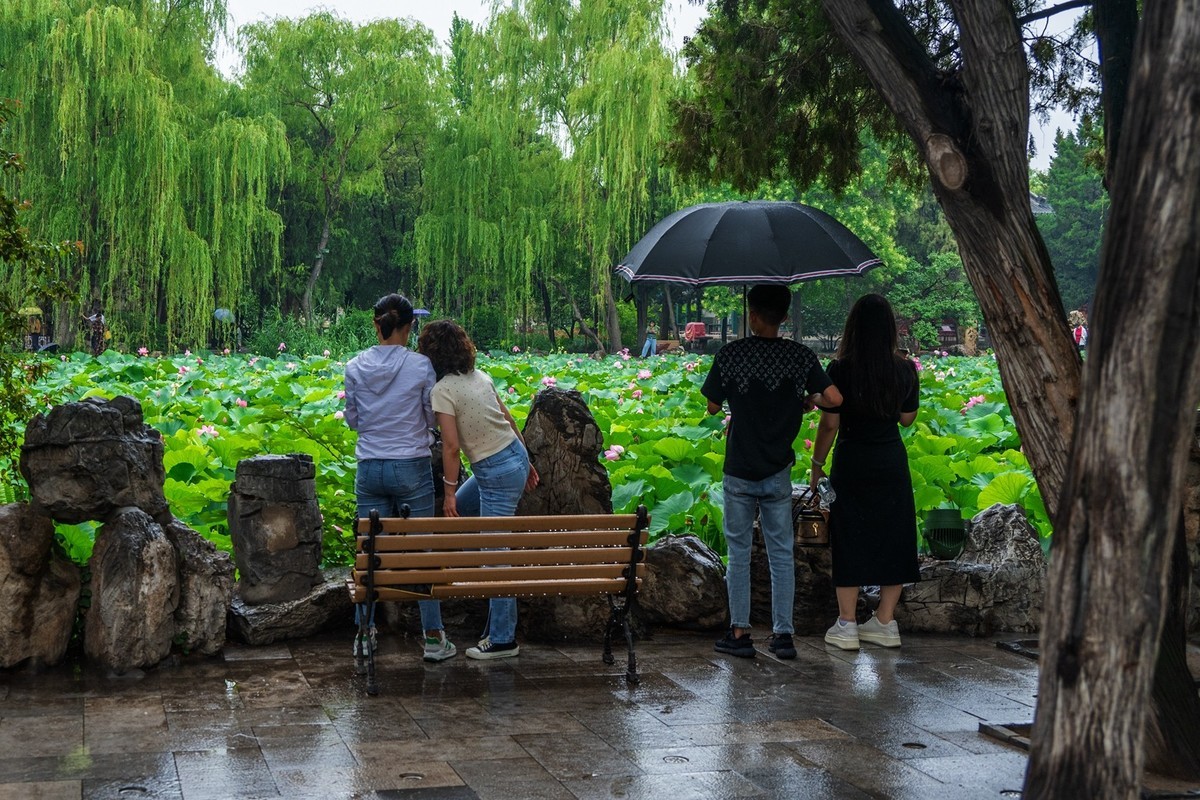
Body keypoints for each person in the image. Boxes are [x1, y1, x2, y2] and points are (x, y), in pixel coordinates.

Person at [701, 284, 841, 660]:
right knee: (781, 553)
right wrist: (806, 398)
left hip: (739, 469)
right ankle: (783, 636)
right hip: (778, 470)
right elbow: (835, 400)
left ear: (752, 315)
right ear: (783, 316)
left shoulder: (731, 354)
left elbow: (713, 405)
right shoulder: (799, 356)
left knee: (739, 552)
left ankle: (740, 632)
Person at [343, 293, 456, 663]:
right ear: (408, 327)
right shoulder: (421, 367)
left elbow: (354, 420)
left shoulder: (355, 365)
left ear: (376, 324)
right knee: (424, 548)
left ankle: (364, 633)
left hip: (370, 466)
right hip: (411, 465)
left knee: (369, 549)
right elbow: (429, 415)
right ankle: (434, 636)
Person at [419, 319, 540, 660]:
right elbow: (509, 419)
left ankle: (503, 639)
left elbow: (452, 448)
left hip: (495, 474)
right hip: (512, 458)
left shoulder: (442, 391)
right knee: (465, 531)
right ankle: (493, 623)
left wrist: (447, 494)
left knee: (495, 558)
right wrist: (527, 461)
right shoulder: (481, 377)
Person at [811, 294, 920, 651]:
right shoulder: (905, 369)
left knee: (850, 535)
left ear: (852, 327)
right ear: (890, 328)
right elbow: (907, 420)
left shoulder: (840, 369)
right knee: (895, 535)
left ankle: (847, 625)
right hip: (890, 460)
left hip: (852, 460)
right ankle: (885, 622)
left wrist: (816, 465)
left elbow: (829, 424)